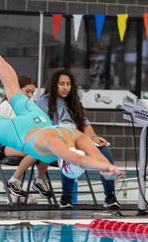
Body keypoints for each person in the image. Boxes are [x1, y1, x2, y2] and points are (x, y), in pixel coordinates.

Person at [0, 38, 124, 207]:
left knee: (12, 89)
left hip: (37, 119)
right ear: (63, 163)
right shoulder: (55, 144)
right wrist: (105, 168)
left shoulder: (73, 133)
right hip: (18, 134)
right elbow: (78, 159)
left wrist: (108, 167)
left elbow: (90, 155)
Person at [36, 70, 121, 209]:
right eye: (62, 84)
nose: (65, 87)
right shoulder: (43, 101)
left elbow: (85, 125)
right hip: (57, 141)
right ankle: (66, 197)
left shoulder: (73, 102)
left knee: (104, 151)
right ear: (54, 85)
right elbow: (39, 125)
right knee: (71, 153)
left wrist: (94, 137)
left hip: (79, 139)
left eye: (68, 84)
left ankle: (110, 197)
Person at [0, 75, 52, 200]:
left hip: (24, 142)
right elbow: (0, 131)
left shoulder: (30, 106)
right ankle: (14, 181)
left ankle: (39, 181)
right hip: (2, 145)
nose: (30, 95)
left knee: (47, 149)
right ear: (17, 90)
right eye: (27, 91)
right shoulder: (5, 106)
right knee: (35, 149)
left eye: (32, 92)